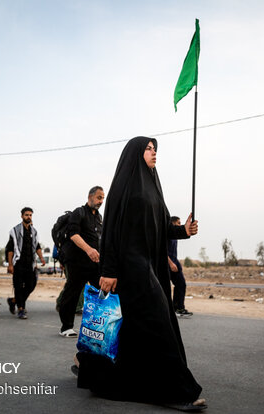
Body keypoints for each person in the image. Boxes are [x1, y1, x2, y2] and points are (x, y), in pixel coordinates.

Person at [75, 137, 206, 411]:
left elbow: (163, 227)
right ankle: (176, 391)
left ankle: (98, 371)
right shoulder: (124, 187)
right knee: (157, 324)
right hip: (127, 268)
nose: (153, 152)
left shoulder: (154, 188)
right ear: (135, 153)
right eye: (148, 148)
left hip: (149, 268)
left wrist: (184, 230)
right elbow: (110, 231)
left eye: (154, 148)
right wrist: (108, 270)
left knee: (136, 329)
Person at [58, 186, 104, 337]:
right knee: (73, 293)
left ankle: (101, 325)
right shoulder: (79, 212)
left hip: (95, 264)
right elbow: (73, 235)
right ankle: (66, 327)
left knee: (104, 291)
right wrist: (89, 250)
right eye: (98, 197)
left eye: (102, 198)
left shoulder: (99, 217)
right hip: (77, 262)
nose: (101, 201)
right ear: (90, 196)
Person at [5, 207, 45, 319]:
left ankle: (13, 301)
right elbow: (10, 249)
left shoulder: (34, 231)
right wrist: (10, 265)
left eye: (30, 215)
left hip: (30, 264)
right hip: (18, 263)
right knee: (18, 287)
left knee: (31, 285)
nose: (29, 217)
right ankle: (21, 309)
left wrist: (41, 258)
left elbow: (37, 246)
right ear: (22, 216)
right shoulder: (15, 230)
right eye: (26, 215)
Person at [168, 216, 193, 317]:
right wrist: (170, 263)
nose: (180, 225)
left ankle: (179, 307)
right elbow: (161, 251)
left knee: (181, 284)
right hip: (167, 263)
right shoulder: (167, 234)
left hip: (175, 262)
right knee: (166, 288)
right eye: (178, 223)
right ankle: (168, 310)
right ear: (173, 224)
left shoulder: (175, 236)